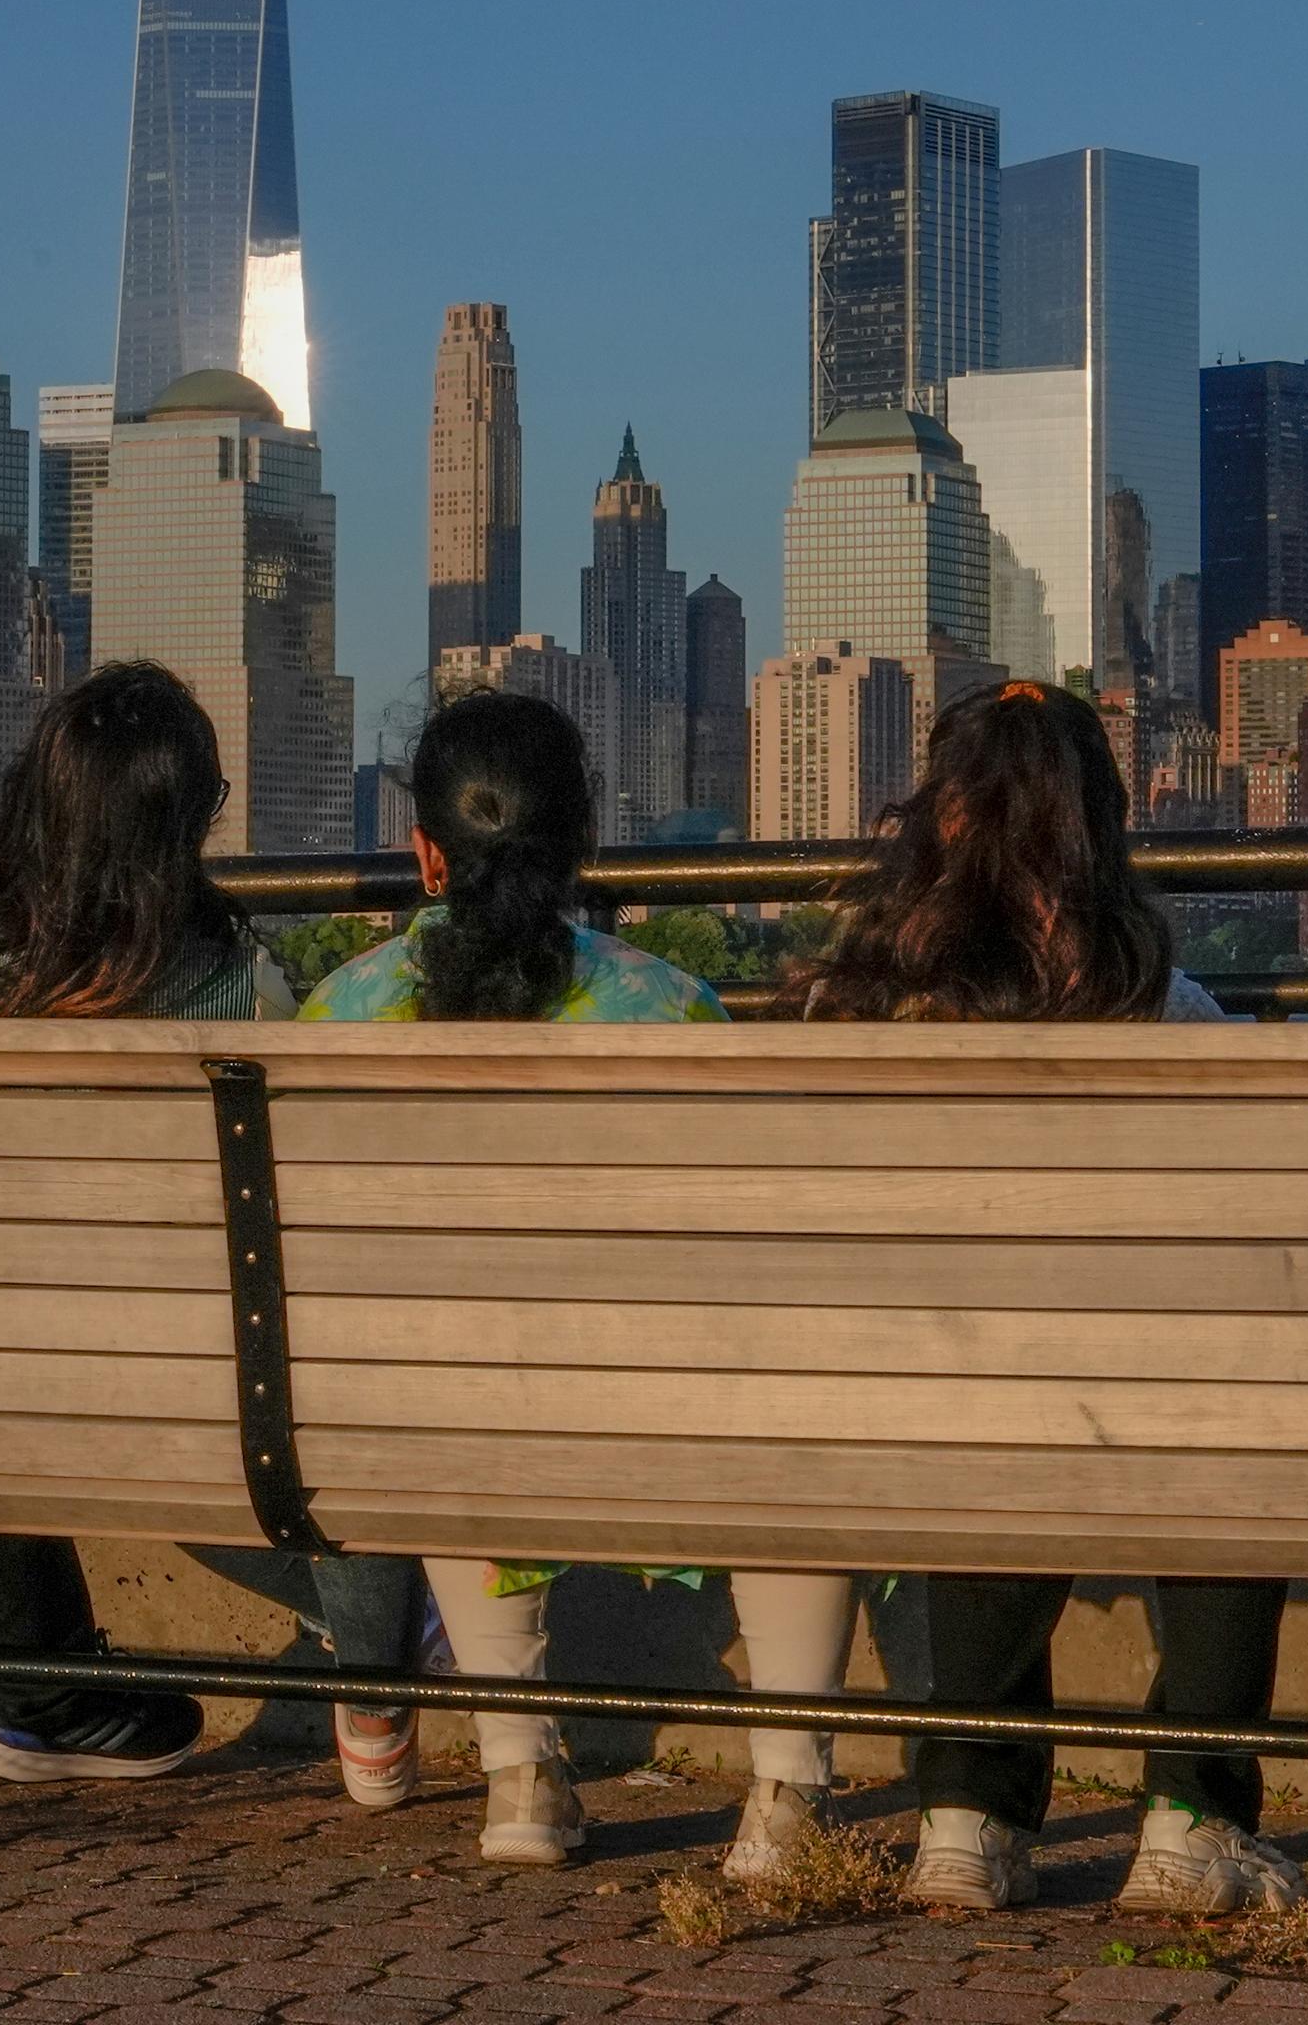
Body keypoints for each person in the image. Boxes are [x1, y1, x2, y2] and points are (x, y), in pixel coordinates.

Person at [307, 688, 860, 1880]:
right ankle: (785, 1800)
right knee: (805, 1412)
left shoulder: (342, 1016)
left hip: (447, 1426)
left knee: (438, 1388)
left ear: (423, 851)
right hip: (664, 1418)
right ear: (584, 844)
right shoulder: (670, 1008)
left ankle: (519, 1773)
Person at [0, 662, 432, 1804]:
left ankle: (25, 1692)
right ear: (184, 824)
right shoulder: (240, 985)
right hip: (175, 1380)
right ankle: (380, 1660)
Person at [792, 678, 1305, 1918]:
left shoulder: (851, 1010)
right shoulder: (1166, 1010)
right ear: (1101, 825)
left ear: (938, 819)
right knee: (1247, 1424)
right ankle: (1190, 1820)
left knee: (977, 1408)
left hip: (894, 1413)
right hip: (1122, 1417)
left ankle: (967, 1819)